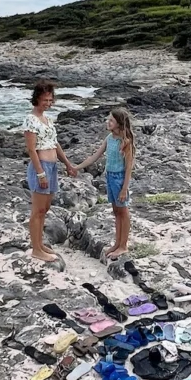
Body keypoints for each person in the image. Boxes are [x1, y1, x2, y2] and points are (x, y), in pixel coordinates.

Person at [23, 80, 76, 262]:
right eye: (45, 100)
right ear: (37, 98)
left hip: (53, 167)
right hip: (42, 167)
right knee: (37, 210)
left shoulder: (48, 119)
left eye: (50, 100)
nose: (48, 103)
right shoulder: (31, 120)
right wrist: (40, 173)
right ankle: (36, 249)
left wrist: (68, 164)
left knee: (45, 209)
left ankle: (39, 243)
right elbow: (31, 149)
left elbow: (55, 144)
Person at [76, 107, 136, 259]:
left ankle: (123, 246)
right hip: (109, 177)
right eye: (108, 119)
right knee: (116, 212)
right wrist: (76, 167)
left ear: (119, 124)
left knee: (123, 212)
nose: (107, 122)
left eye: (111, 120)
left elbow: (129, 167)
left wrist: (124, 188)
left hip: (120, 178)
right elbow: (94, 157)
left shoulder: (126, 142)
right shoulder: (109, 138)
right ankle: (117, 243)